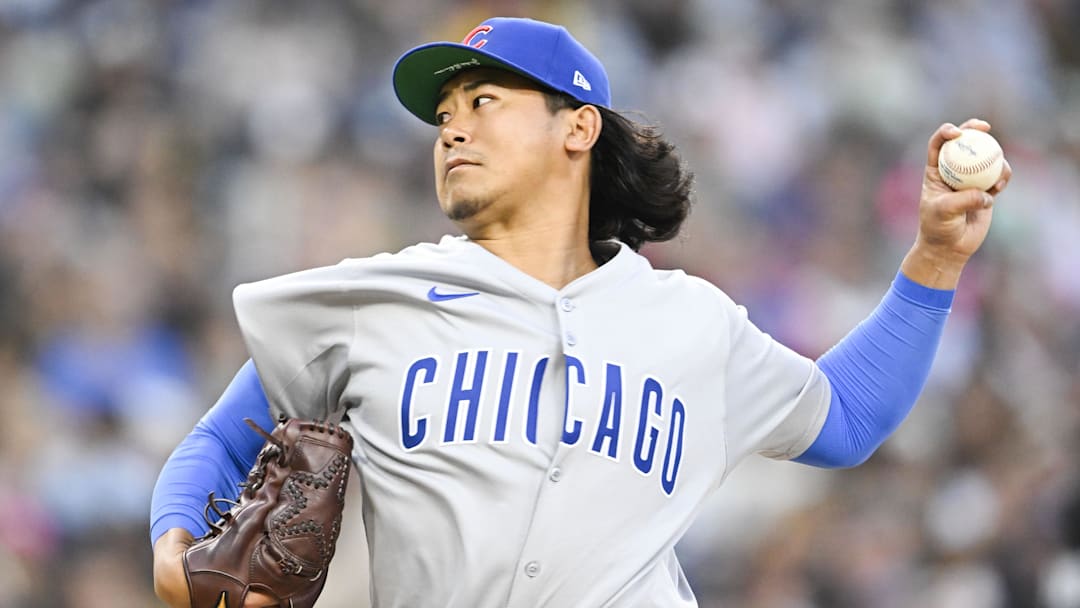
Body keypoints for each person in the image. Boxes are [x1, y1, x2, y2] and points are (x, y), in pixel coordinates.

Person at [150, 16, 1011, 608]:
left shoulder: (691, 323)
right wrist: (171, 553)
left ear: (578, 128)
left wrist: (935, 260)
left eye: (484, 103)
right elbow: (221, 443)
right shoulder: (373, 300)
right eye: (444, 117)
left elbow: (847, 418)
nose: (451, 130)